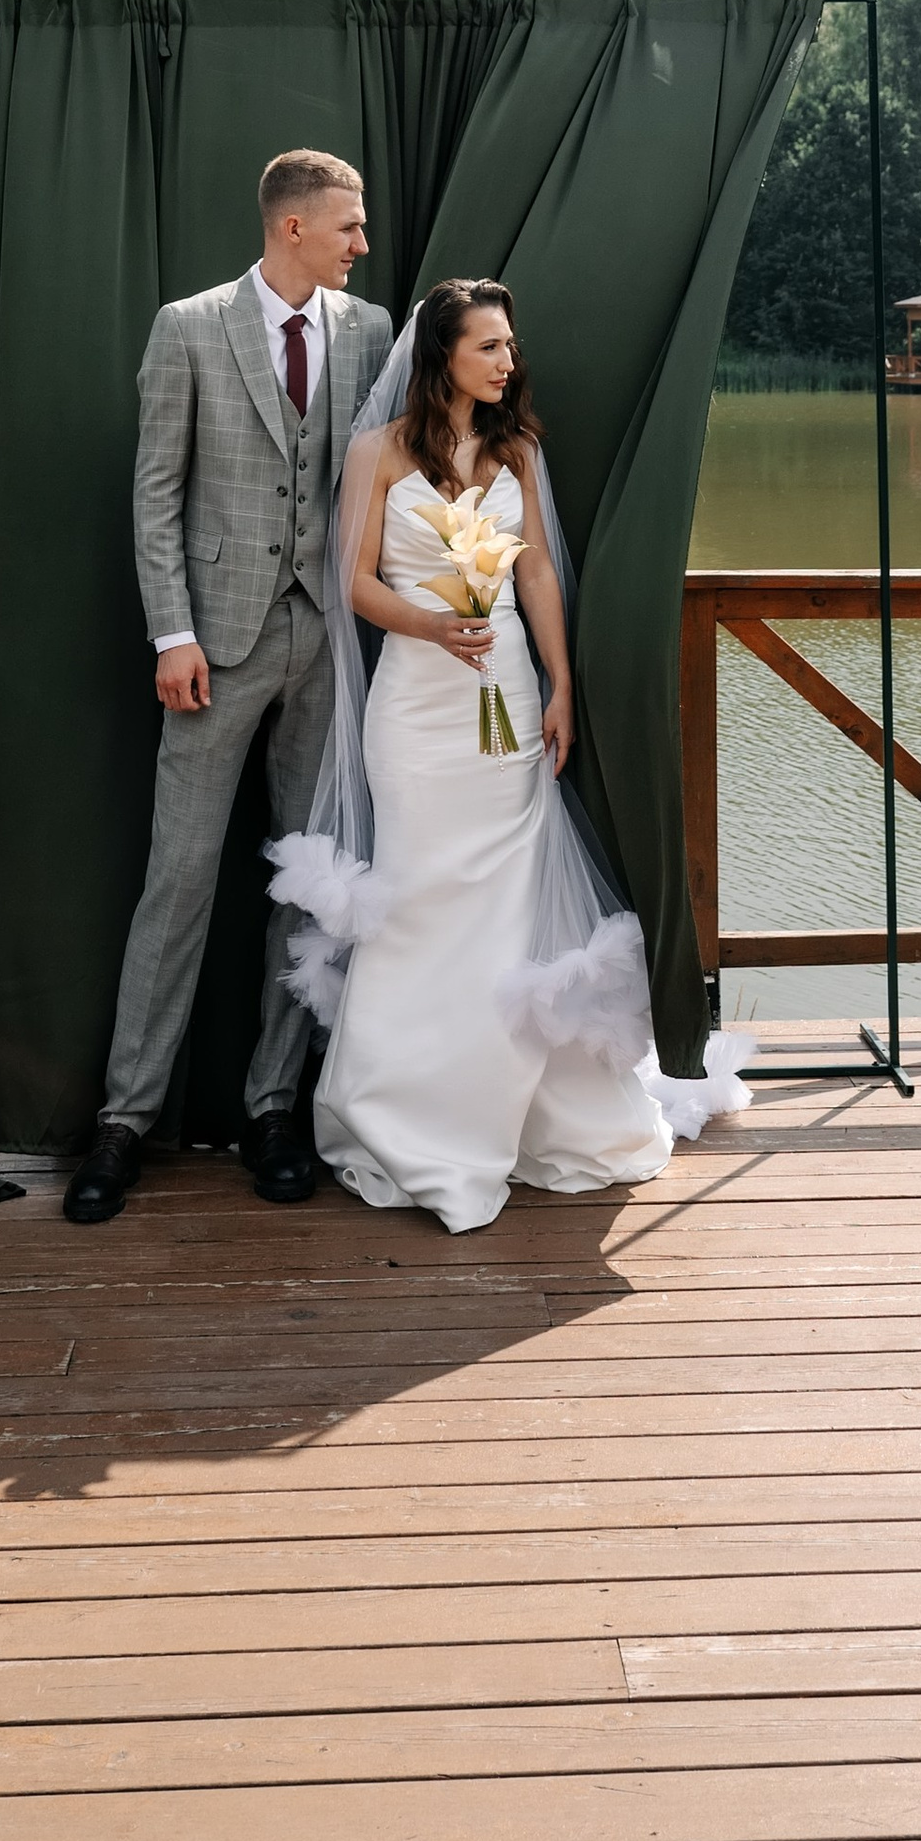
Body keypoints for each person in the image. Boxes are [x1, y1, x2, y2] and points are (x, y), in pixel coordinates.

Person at [274, 277, 748, 1232]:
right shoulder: (377, 452)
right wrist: (430, 622)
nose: (506, 362)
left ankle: (523, 1106)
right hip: (417, 701)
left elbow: (533, 569)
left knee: (509, 891)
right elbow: (353, 583)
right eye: (488, 346)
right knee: (423, 891)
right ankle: (409, 1111)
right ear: (440, 355)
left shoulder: (518, 449)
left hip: (510, 689)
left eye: (509, 346)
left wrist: (561, 684)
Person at [64, 149, 393, 1225]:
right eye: (347, 224)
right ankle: (124, 1117)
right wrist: (173, 631)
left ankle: (272, 1106)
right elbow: (153, 492)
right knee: (179, 881)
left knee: (306, 884)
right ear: (291, 225)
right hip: (214, 646)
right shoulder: (189, 324)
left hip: (327, 640)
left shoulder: (369, 329)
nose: (361, 242)